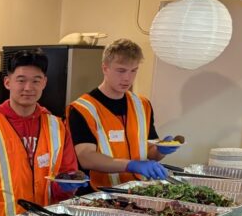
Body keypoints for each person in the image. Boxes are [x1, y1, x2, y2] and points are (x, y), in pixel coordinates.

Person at [0, 50, 81, 216]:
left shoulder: (58, 127)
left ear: (44, 83)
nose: (28, 88)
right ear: (8, 82)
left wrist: (65, 186)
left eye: (36, 81)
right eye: (21, 80)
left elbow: (66, 177)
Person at [67, 39, 179, 188]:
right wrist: (131, 165)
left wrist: (161, 150)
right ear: (105, 68)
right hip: (99, 194)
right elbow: (86, 157)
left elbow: (150, 152)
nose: (127, 78)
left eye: (133, 70)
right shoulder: (82, 109)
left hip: (138, 190)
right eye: (121, 70)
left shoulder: (142, 105)